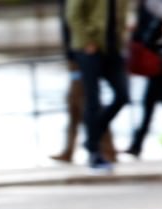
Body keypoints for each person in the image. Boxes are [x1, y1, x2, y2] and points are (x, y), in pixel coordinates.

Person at [65, 0, 131, 172]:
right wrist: (86, 41)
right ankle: (94, 153)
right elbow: (73, 14)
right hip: (89, 49)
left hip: (113, 48)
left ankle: (92, 137)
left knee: (123, 96)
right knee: (93, 99)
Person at [50, 0, 116, 163]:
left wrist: (85, 46)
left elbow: (75, 23)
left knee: (89, 102)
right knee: (77, 104)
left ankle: (105, 149)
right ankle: (73, 149)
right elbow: (68, 27)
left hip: (84, 54)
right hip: (76, 56)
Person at [125, 0, 162, 159]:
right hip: (158, 57)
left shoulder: (153, 5)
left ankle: (137, 144)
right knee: (153, 104)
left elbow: (154, 27)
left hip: (159, 57)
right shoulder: (147, 5)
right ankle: (137, 144)